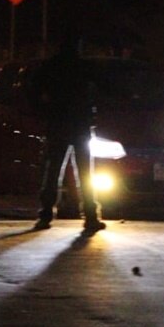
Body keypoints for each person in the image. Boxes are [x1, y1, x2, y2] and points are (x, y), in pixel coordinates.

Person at [33, 31, 105, 232]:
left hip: (58, 124)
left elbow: (35, 92)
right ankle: (90, 216)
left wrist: (45, 111)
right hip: (79, 124)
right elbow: (101, 88)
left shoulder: (51, 66)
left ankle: (46, 214)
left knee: (53, 170)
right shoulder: (83, 66)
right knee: (84, 172)